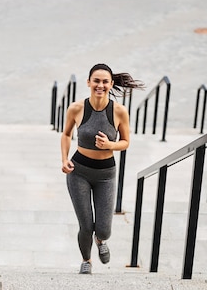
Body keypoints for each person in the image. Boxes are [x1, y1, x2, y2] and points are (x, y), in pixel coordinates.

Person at [60, 63, 144, 274]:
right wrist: (64, 159)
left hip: (106, 174)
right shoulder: (76, 108)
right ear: (88, 82)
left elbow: (126, 141)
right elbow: (66, 134)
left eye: (105, 81)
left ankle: (101, 240)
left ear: (111, 84)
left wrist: (110, 145)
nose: (100, 85)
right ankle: (86, 260)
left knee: (104, 228)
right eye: (96, 81)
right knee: (86, 225)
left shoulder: (118, 111)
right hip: (78, 171)